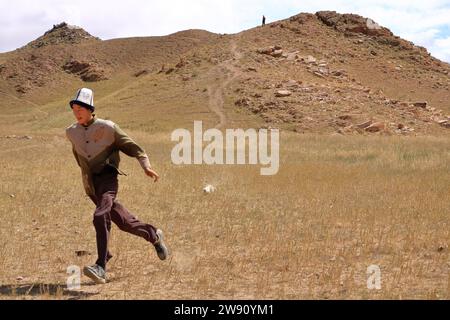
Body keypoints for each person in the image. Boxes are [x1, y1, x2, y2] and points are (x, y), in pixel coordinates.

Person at [66, 88, 169, 284]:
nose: (77, 112)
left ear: (90, 109)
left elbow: (134, 147)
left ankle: (101, 266)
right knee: (123, 222)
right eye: (74, 108)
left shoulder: (108, 128)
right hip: (92, 185)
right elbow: (79, 157)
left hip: (108, 179)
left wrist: (146, 167)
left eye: (81, 108)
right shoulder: (71, 132)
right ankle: (154, 235)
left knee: (99, 216)